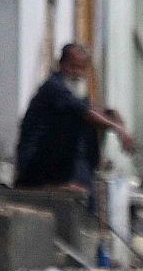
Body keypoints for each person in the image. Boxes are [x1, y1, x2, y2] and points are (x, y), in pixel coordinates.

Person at [14, 43, 134, 192]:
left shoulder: (73, 91)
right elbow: (85, 112)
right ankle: (54, 183)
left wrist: (113, 117)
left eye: (81, 69)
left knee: (94, 122)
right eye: (73, 67)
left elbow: (93, 110)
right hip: (35, 165)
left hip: (67, 166)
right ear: (61, 64)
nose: (77, 73)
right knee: (79, 119)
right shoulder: (53, 87)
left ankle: (75, 178)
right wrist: (117, 128)